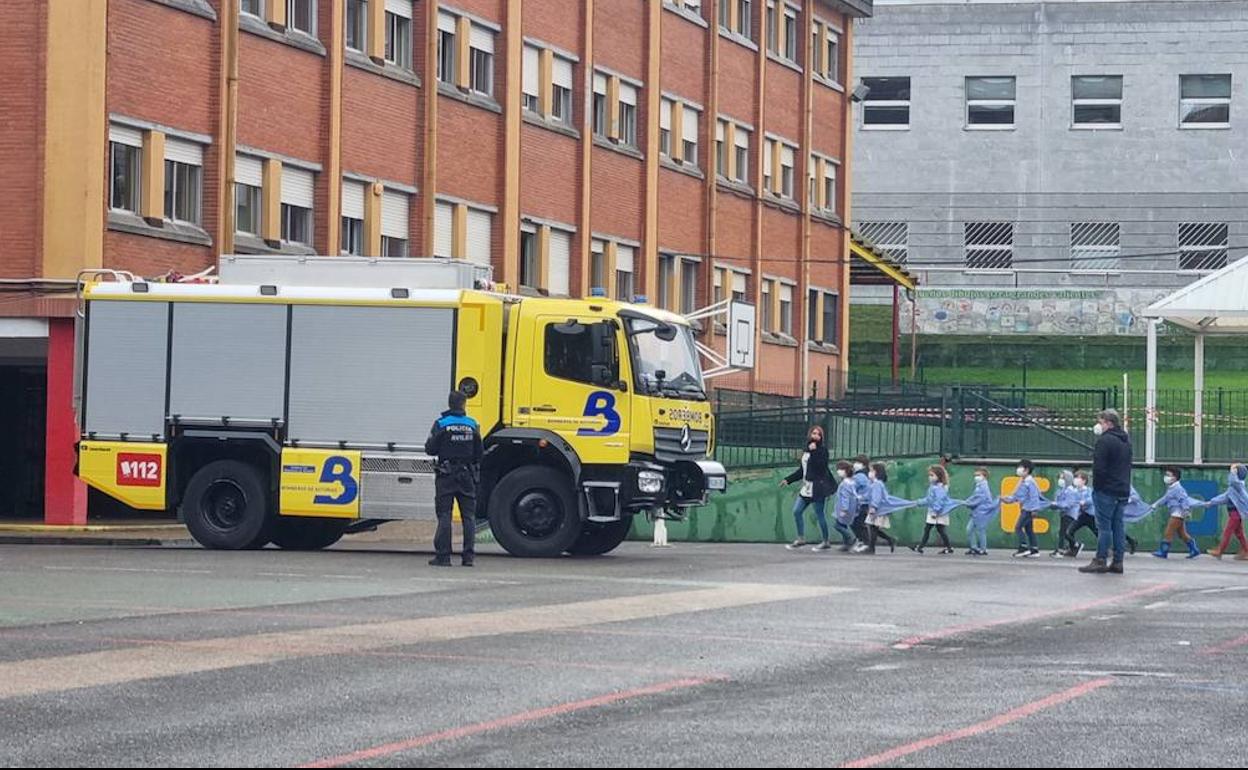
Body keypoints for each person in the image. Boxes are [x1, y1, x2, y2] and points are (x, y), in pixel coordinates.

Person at [424, 390, 483, 567]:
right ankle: (468, 557)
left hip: (446, 474)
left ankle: (443, 557)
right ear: (464, 404)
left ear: (449, 404)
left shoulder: (442, 423)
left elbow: (430, 449)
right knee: (469, 517)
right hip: (467, 475)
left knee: (444, 515)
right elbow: (479, 453)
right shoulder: (473, 425)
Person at [1081, 409, 1133, 576]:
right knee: (1118, 525)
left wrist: (1098, 487)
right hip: (1123, 489)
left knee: (1104, 527)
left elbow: (1100, 468)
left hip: (1106, 490)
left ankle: (1100, 559)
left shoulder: (1105, 441)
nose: (1099, 425)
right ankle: (1118, 561)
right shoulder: (1126, 441)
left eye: (1101, 422)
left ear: (1108, 423)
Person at [780, 426, 835, 552]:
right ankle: (801, 538)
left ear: (821, 437)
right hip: (806, 487)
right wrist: (788, 480)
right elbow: (802, 471)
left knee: (819, 514)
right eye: (814, 433)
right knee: (797, 511)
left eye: (818, 434)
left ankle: (826, 541)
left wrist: (814, 452)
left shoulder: (822, 451)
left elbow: (821, 468)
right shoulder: (806, 451)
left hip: (817, 487)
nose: (815, 436)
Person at [1149, 467, 1206, 560]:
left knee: (1168, 532)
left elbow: (1183, 500)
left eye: (1168, 475)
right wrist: (1156, 504)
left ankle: (1163, 551)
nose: (1166, 477)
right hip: (1177, 513)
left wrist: (1186, 510)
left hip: (1177, 513)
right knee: (1182, 534)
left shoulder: (1178, 489)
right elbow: (1165, 498)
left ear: (1175, 478)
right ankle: (1194, 550)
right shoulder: (1172, 488)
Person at [861, 462, 912, 554]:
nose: (870, 473)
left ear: (876, 472)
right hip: (878, 509)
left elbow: (876, 497)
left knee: (872, 527)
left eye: (872, 470)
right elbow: (868, 495)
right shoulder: (875, 484)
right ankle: (889, 540)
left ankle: (872, 548)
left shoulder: (877, 484)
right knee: (873, 527)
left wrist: (873, 507)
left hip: (878, 509)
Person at [1002, 459, 1048, 558]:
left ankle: (1023, 548)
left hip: (1028, 509)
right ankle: (1034, 550)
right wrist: (1008, 500)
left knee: (1018, 527)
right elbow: (1017, 495)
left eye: (1020, 467)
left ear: (1027, 470)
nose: (1018, 469)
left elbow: (1034, 496)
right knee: (1029, 530)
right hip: (1025, 508)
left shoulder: (1030, 482)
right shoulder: (1022, 482)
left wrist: (1034, 509)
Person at [909, 465, 957, 555]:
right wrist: (918, 502)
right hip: (934, 511)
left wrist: (935, 511)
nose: (929, 477)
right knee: (937, 529)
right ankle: (948, 547)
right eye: (929, 475)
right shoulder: (933, 487)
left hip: (936, 512)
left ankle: (921, 547)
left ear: (938, 476)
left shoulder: (939, 488)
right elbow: (929, 499)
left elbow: (939, 500)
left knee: (932, 529)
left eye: (932, 475)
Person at [1206, 464, 1248, 560]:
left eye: (1234, 472)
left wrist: (1233, 470)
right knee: (1239, 534)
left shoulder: (1238, 485)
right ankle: (1246, 551)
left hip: (1235, 514)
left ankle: (1220, 551)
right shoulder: (1234, 488)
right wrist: (1211, 502)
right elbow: (1224, 497)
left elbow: (1233, 481)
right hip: (1234, 514)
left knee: (1227, 532)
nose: (1231, 474)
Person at [962, 467, 998, 557]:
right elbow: (975, 497)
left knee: (980, 530)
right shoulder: (979, 486)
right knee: (969, 530)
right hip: (976, 513)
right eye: (975, 475)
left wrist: (968, 503)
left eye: (978, 475)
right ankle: (974, 547)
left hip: (982, 512)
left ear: (984, 476)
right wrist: (967, 501)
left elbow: (978, 498)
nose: (976, 477)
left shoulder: (984, 486)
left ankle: (983, 549)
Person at [1051, 470, 1082, 558]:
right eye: (1060, 478)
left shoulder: (1070, 491)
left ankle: (1070, 547)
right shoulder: (1062, 490)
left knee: (1064, 533)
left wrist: (1056, 504)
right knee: (1064, 532)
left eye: (1062, 478)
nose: (1060, 480)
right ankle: (1070, 548)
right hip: (1064, 514)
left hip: (1070, 514)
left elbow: (1067, 504)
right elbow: (1059, 501)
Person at [830, 461, 860, 551]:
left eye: (840, 469)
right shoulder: (851, 482)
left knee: (838, 525)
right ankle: (846, 544)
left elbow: (845, 497)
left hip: (845, 508)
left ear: (846, 471)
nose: (838, 471)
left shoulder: (845, 484)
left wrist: (844, 509)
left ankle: (851, 538)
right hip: (850, 507)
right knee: (843, 525)